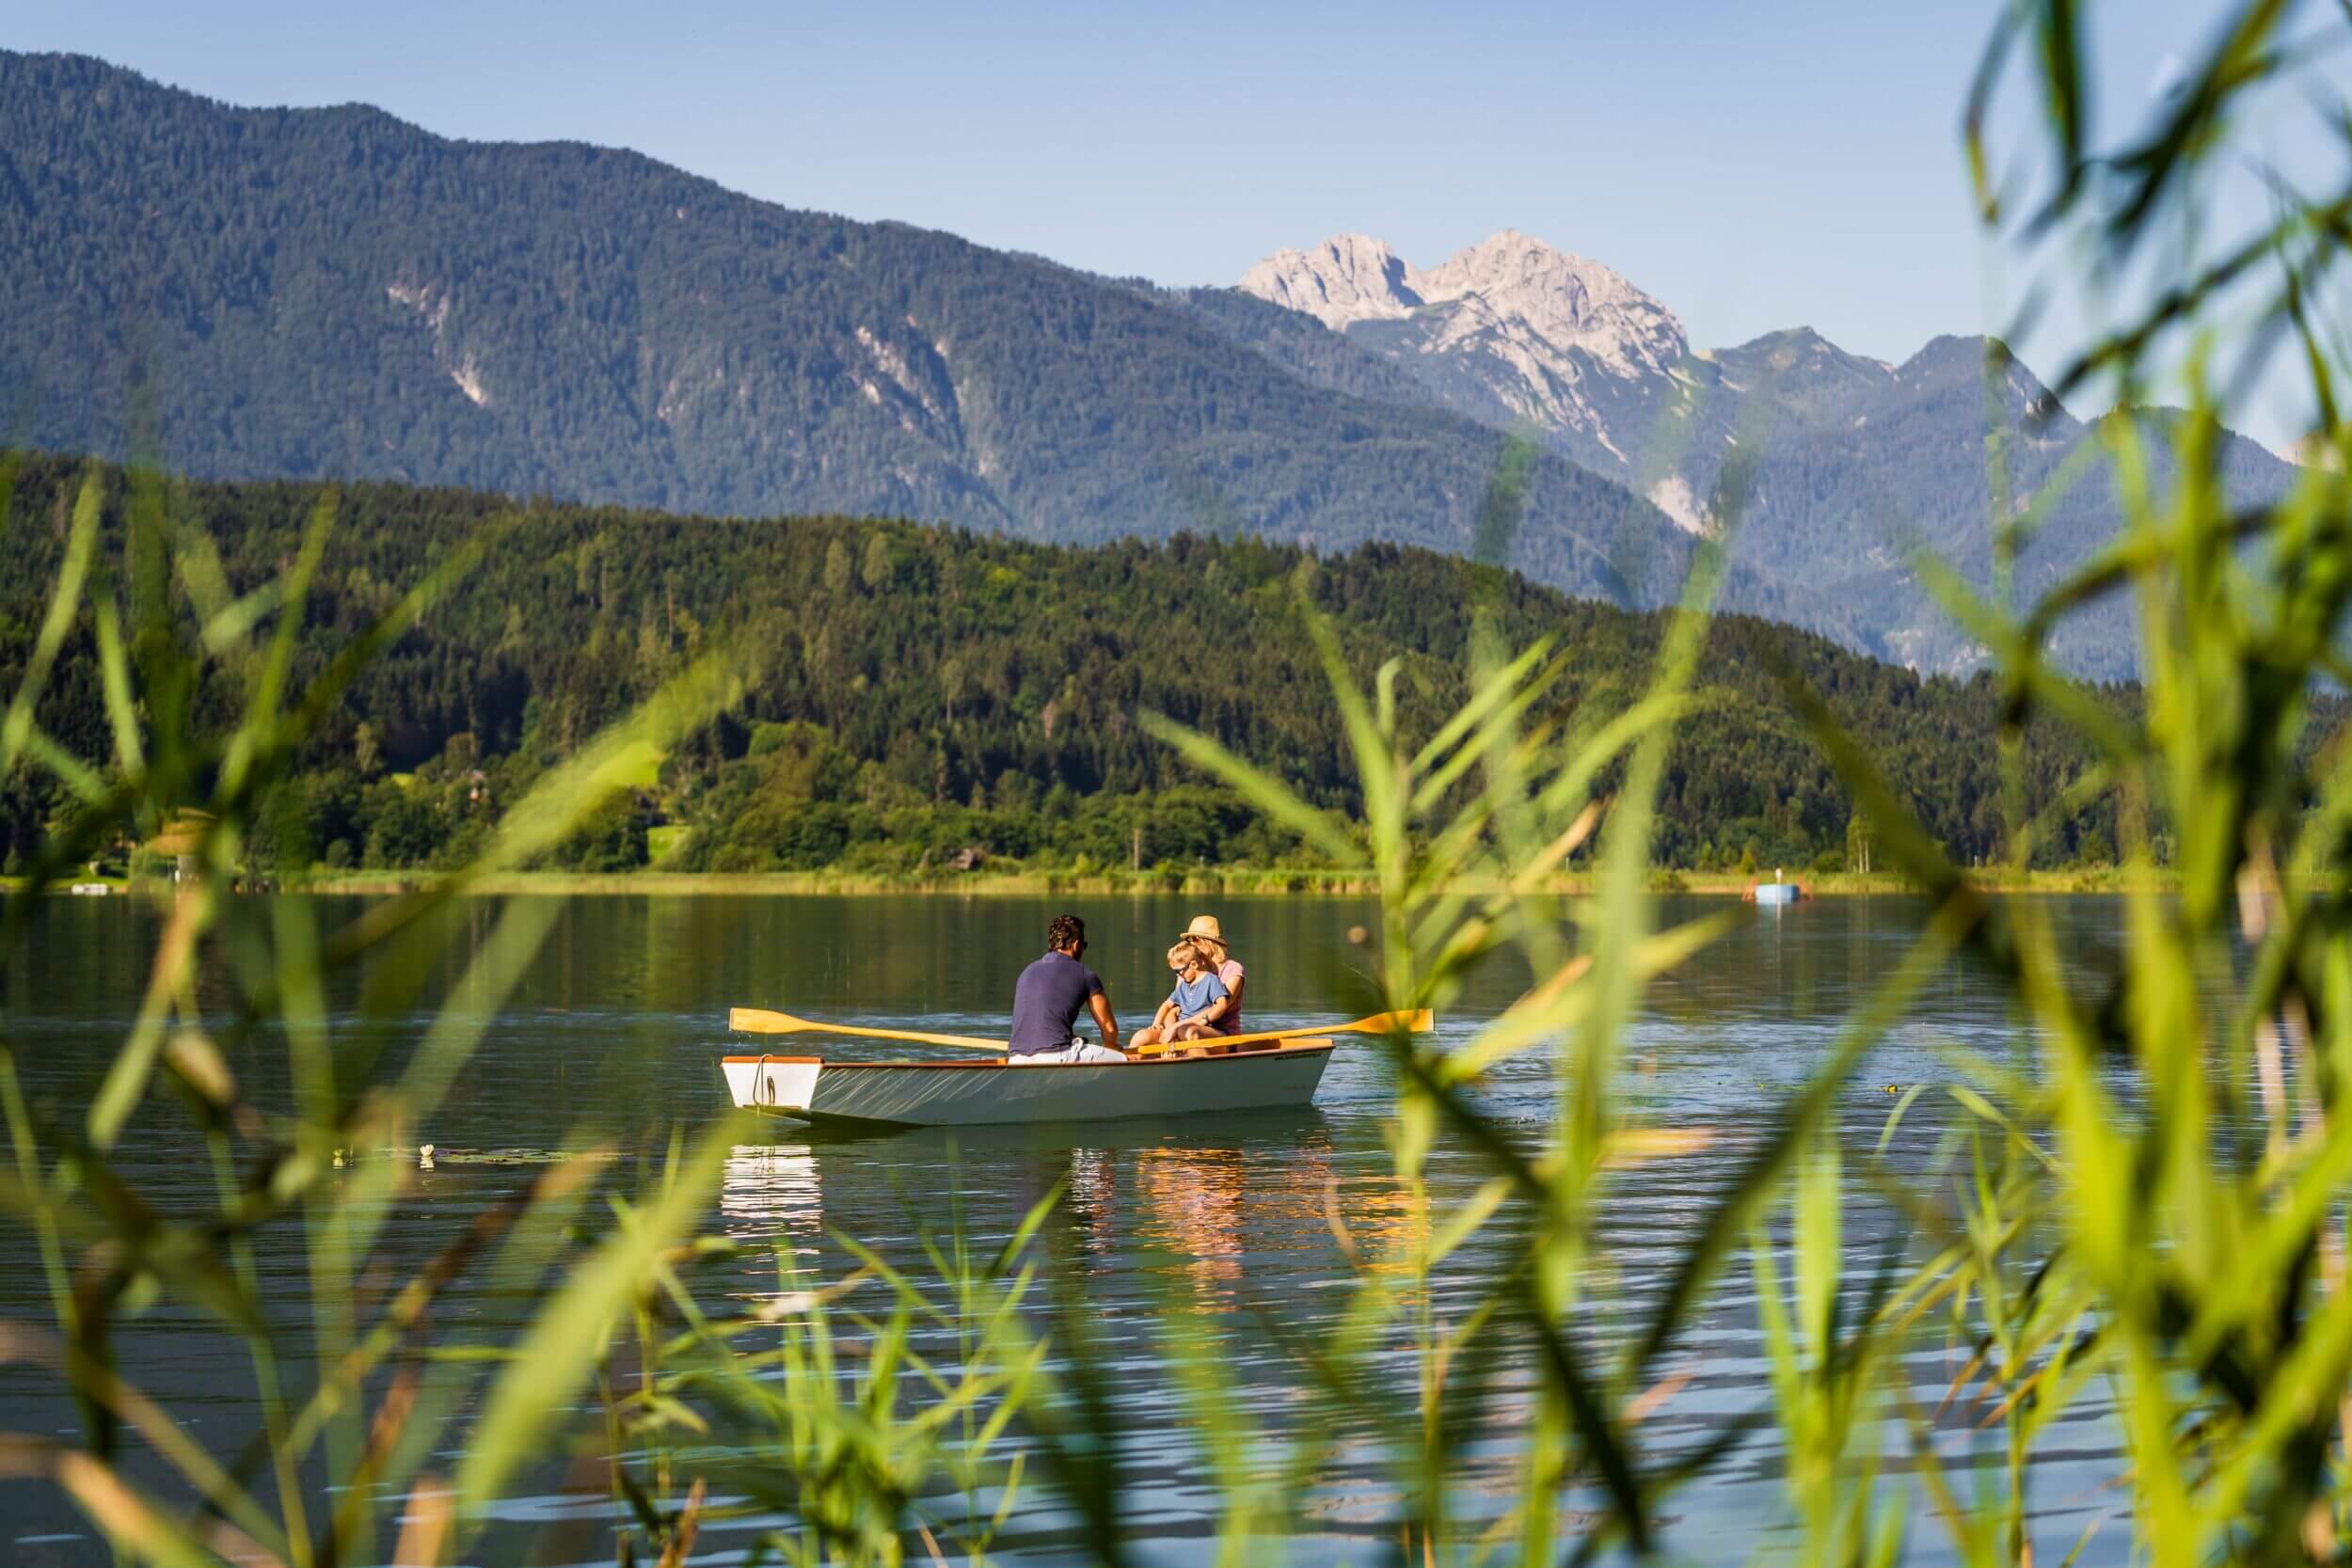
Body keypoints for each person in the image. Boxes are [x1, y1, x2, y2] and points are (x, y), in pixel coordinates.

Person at [1007, 913, 1126, 1064]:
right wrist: (1113, 1047)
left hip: (1016, 1059)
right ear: (1076, 945)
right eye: (1084, 945)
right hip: (1057, 1057)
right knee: (1124, 1059)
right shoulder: (1085, 974)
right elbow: (1109, 1029)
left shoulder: (1027, 971)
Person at [1130, 939, 1232, 1050]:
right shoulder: (1184, 985)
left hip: (1203, 1029)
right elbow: (1167, 1005)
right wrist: (1156, 1024)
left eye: (1179, 971)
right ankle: (1129, 1063)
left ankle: (1185, 1056)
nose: (1178, 975)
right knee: (1141, 1036)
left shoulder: (1211, 980)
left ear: (1193, 965)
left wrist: (1203, 1021)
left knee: (1186, 1031)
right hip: (1179, 1028)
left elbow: (1221, 1005)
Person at [1179, 914, 1245, 1035]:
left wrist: (1178, 1028)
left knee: (1191, 1032)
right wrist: (1168, 1030)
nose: (1191, 944)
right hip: (1184, 1027)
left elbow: (1218, 1008)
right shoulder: (1186, 970)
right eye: (1189, 940)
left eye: (1196, 939)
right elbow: (1176, 1007)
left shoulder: (1233, 970)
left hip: (1223, 1033)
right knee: (1143, 1036)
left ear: (1210, 942)